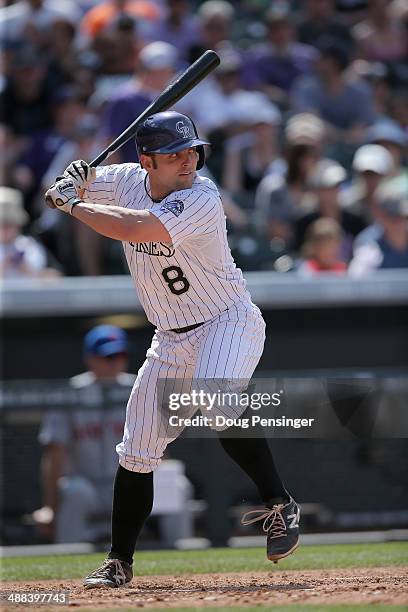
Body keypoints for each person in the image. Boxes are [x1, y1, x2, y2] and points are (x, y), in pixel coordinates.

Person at [44, 110, 301, 588]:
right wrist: (75, 176)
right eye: (174, 153)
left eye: (191, 150)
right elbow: (78, 178)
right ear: (146, 160)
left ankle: (280, 503)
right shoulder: (125, 179)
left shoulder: (201, 196)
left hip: (227, 319)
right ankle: (118, 562)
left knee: (212, 396)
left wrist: (73, 204)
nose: (188, 160)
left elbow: (137, 228)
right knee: (137, 450)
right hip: (169, 337)